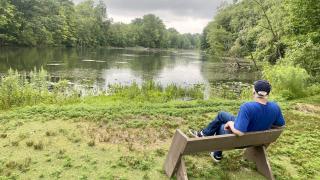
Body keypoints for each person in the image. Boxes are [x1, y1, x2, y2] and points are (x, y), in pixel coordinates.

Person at [189, 80, 285, 162]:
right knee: (222, 115)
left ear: (254, 92)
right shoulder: (275, 107)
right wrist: (264, 121)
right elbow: (280, 124)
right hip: (257, 141)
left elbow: (239, 132)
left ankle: (215, 151)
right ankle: (205, 137)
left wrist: (231, 124)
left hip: (240, 141)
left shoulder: (247, 107)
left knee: (220, 126)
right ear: (268, 94)